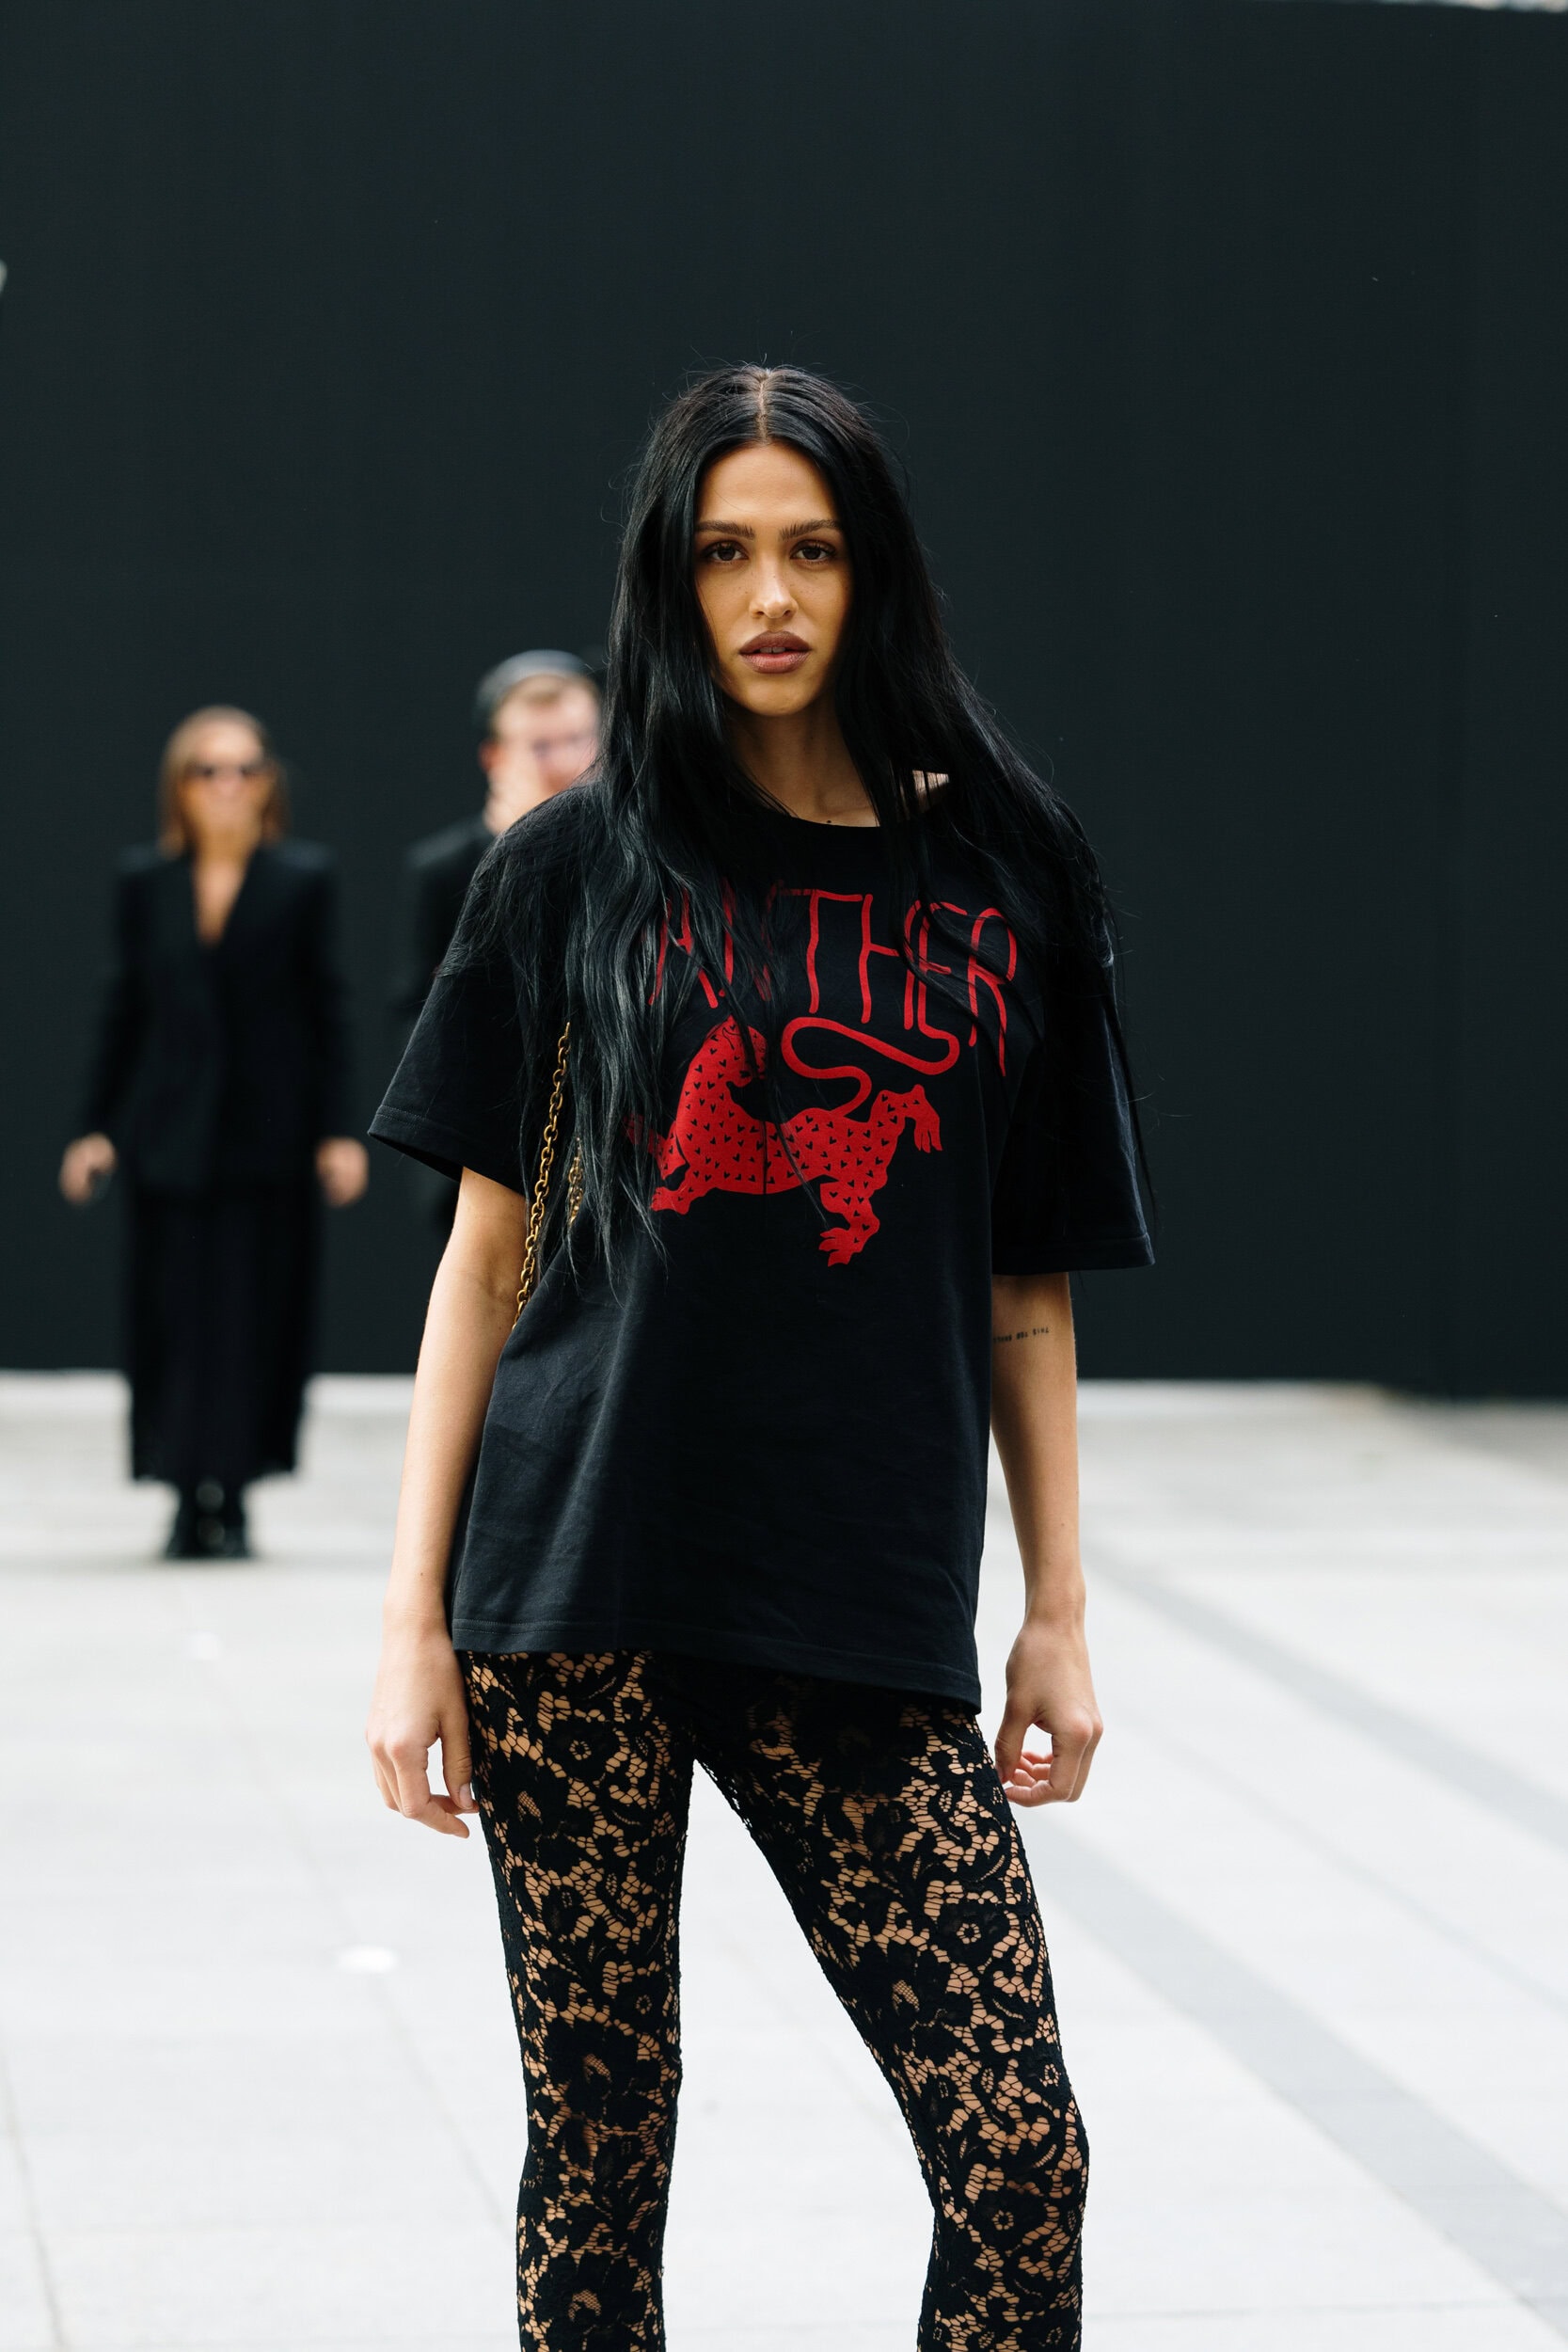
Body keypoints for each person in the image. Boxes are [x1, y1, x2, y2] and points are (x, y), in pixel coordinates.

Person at [365, 366, 1151, 2348]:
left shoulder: (1005, 875)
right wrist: (409, 1621)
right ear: (671, 579)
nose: (770, 596)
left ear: (875, 572)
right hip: (578, 1585)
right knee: (597, 2161)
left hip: (855, 1590)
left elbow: (1024, 1277)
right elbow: (484, 1261)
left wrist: (1056, 1609)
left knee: (1017, 2153)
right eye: (724, 553)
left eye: (810, 549)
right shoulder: (571, 864)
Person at [60, 707, 367, 1559]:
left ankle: (231, 1493)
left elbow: (326, 1008)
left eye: (244, 769)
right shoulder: (146, 882)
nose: (227, 786)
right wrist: (95, 1127)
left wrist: (339, 1130)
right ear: (180, 786)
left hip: (268, 1134)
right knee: (172, 1317)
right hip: (168, 1136)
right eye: (208, 770)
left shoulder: (301, 879)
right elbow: (122, 1009)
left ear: (268, 783)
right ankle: (178, 1488)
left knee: (254, 1316)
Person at [390, 651, 602, 1034]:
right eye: (540, 747)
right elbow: (419, 1017)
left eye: (578, 739)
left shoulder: (635, 848)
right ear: (495, 758)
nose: (566, 763)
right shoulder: (445, 870)